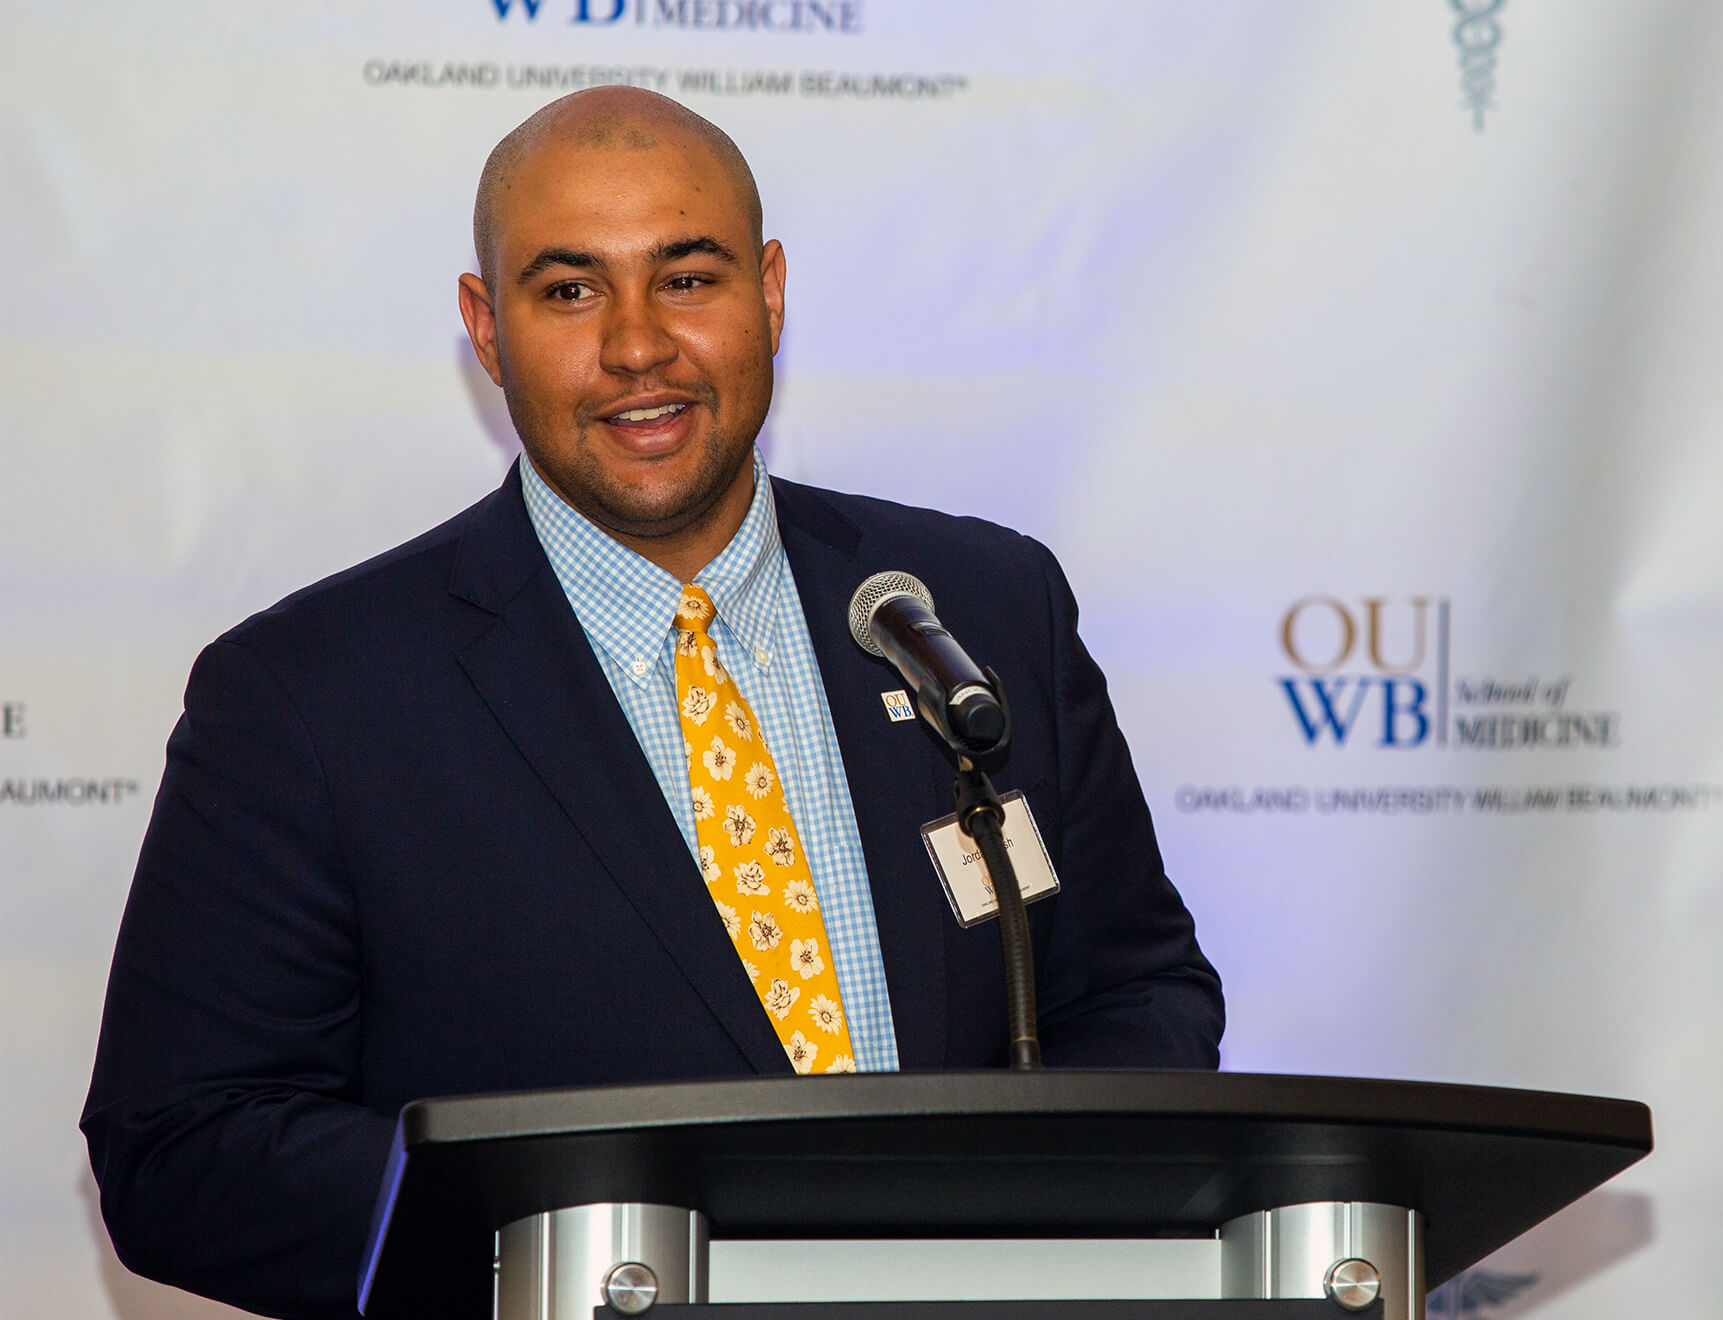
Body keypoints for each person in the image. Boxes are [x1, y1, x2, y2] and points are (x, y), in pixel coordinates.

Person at [80, 86, 1223, 1319]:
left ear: (769, 294)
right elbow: (183, 1147)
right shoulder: (307, 697)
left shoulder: (979, 607)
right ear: (486, 327)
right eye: (571, 291)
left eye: (687, 279)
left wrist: (1002, 1211)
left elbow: (1137, 995)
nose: (637, 346)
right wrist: (592, 1228)